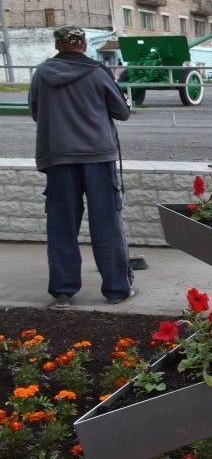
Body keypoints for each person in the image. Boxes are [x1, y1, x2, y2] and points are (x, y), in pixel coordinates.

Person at [29, 25, 135, 308]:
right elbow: (122, 112)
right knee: (107, 223)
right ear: (83, 44)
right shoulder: (98, 72)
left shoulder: (41, 73)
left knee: (61, 225)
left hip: (58, 157)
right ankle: (116, 290)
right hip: (98, 158)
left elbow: (36, 112)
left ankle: (63, 292)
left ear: (58, 46)